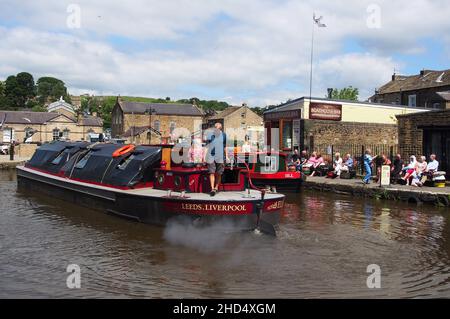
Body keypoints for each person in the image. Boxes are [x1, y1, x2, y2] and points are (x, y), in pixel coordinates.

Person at [205, 122, 228, 196]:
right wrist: (204, 157)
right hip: (211, 155)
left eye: (217, 128)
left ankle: (216, 187)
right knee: (211, 172)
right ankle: (212, 188)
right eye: (215, 127)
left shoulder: (224, 135)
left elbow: (225, 146)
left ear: (220, 129)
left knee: (219, 173)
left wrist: (226, 156)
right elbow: (207, 146)